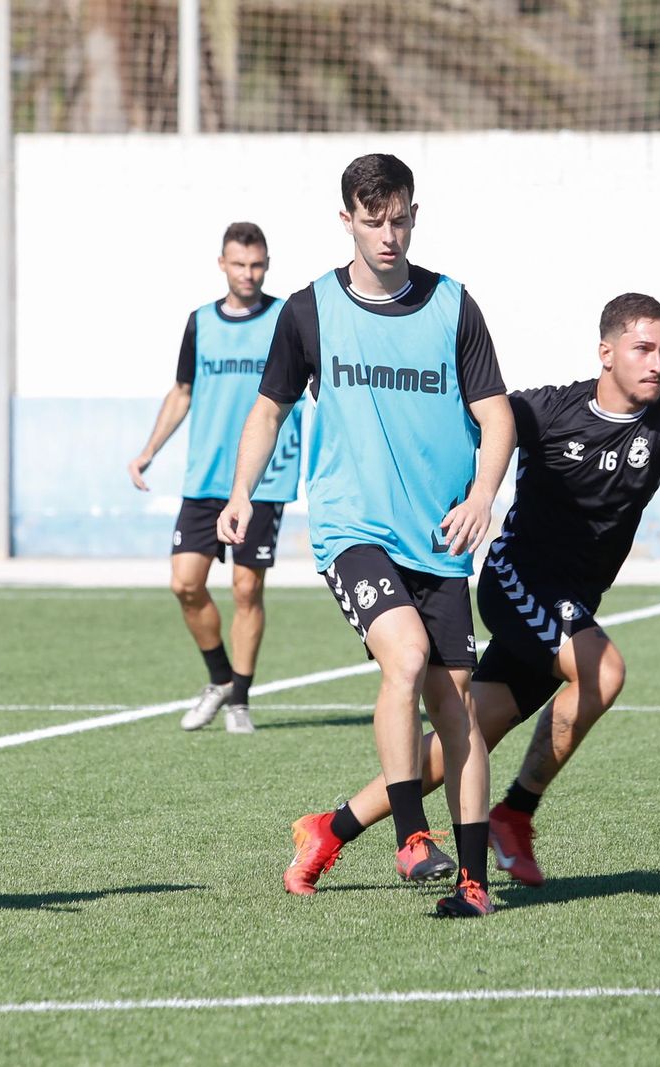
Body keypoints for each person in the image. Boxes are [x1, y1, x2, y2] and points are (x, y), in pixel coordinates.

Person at [282, 292, 660, 897]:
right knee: (604, 672)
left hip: (571, 603)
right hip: (516, 582)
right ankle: (515, 813)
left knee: (461, 740)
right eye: (643, 349)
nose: (658, 362)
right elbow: (474, 423)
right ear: (607, 353)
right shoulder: (547, 410)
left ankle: (328, 831)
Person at [220, 154, 515, 918]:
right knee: (408, 657)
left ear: (415, 214)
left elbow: (496, 415)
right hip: (354, 528)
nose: (390, 233)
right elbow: (268, 410)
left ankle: (470, 881)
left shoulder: (454, 305)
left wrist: (485, 493)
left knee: (458, 711)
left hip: (440, 536)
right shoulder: (311, 310)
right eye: (374, 218)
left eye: (401, 217)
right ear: (346, 218)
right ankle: (412, 836)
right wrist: (243, 491)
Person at [128, 222, 303, 735]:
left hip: (261, 482)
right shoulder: (200, 323)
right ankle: (220, 677)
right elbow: (182, 391)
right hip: (204, 479)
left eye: (257, 264)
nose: (248, 274)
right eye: (239, 264)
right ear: (222, 264)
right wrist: (148, 451)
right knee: (185, 583)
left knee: (246, 590)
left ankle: (239, 702)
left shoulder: (284, 319)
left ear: (266, 265)